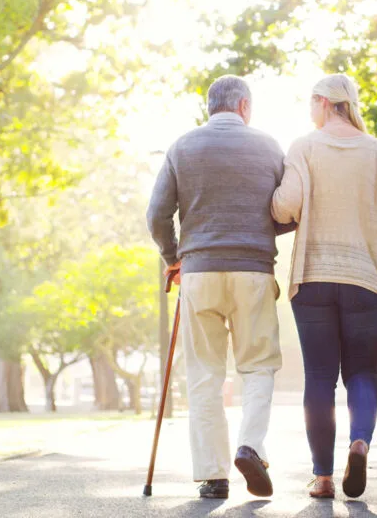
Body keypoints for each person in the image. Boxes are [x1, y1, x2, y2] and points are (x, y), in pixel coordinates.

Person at [147, 75, 290, 500]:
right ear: (244, 106)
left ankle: (213, 476)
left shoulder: (182, 146)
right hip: (253, 272)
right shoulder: (269, 146)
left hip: (200, 272)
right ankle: (251, 446)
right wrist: (263, 228)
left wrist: (173, 257)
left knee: (205, 374)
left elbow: (157, 214)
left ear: (210, 107)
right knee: (259, 365)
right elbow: (289, 209)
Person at [272, 73, 377, 499]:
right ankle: (360, 442)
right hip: (366, 281)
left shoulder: (304, 147)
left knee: (319, 376)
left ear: (321, 102)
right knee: (361, 374)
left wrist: (281, 200)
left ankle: (323, 477)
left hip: (313, 279)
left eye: (310, 103)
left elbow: (284, 206)